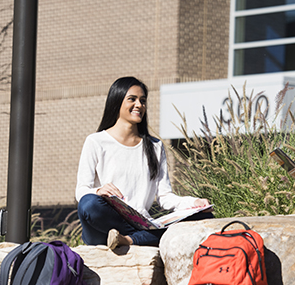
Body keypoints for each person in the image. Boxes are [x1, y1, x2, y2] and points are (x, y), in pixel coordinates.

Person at [76, 76, 212, 249]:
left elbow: (164, 196)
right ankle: (145, 238)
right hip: (104, 224)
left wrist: (193, 203)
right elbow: (81, 191)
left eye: (143, 100)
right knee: (89, 203)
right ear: (117, 101)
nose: (139, 105)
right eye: (132, 99)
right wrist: (98, 191)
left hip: (141, 222)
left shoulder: (155, 146)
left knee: (203, 217)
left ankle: (129, 240)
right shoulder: (96, 141)